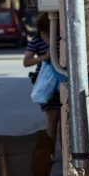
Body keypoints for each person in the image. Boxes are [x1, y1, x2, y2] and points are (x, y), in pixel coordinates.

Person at [24, 12, 60, 142]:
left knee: (63, 117)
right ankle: (49, 149)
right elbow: (26, 62)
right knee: (52, 115)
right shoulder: (37, 40)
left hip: (61, 81)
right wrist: (44, 57)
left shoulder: (61, 37)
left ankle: (63, 150)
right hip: (46, 84)